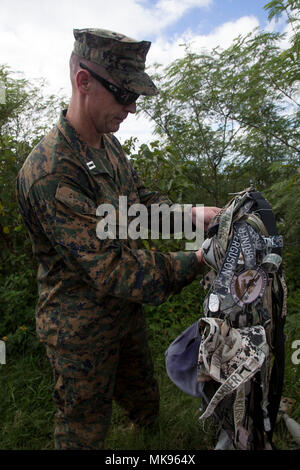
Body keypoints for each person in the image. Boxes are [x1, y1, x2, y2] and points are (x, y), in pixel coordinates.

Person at [16, 28, 220, 450]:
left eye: (137, 97)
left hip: (124, 314)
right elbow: (112, 268)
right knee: (83, 428)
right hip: (80, 330)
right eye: (123, 94)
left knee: (144, 401)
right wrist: (198, 260)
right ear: (83, 81)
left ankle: (150, 440)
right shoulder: (52, 172)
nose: (131, 107)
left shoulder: (108, 146)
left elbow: (139, 207)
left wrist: (191, 216)